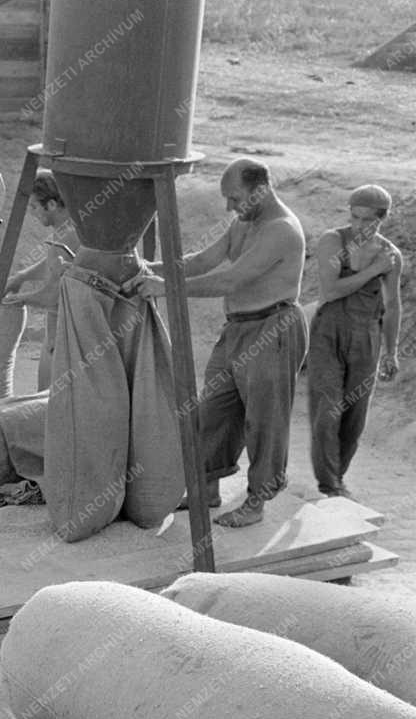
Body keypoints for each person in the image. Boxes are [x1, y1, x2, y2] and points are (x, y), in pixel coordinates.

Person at [125, 158, 307, 528]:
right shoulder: (244, 222)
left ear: (261, 189)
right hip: (238, 328)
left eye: (234, 197)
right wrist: (147, 268)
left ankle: (256, 501)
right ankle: (205, 489)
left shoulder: (281, 229)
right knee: (212, 412)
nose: (229, 206)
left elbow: (230, 280)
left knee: (264, 420)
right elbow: (201, 261)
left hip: (272, 328)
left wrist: (167, 289)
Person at [307, 184, 403, 500]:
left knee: (354, 416)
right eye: (355, 217)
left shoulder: (391, 254)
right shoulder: (333, 240)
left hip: (367, 338)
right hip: (328, 334)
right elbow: (330, 291)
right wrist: (375, 270)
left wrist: (391, 352)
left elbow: (392, 307)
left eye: (368, 221)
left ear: (382, 219)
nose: (360, 226)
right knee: (326, 410)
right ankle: (329, 484)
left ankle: (337, 478)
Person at [3, 170, 78, 389]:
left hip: (66, 340)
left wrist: (19, 300)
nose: (32, 213)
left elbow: (52, 296)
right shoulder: (66, 228)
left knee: (52, 407)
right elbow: (53, 263)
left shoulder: (70, 234)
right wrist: (21, 277)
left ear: (52, 205)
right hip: (55, 336)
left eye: (35, 207)